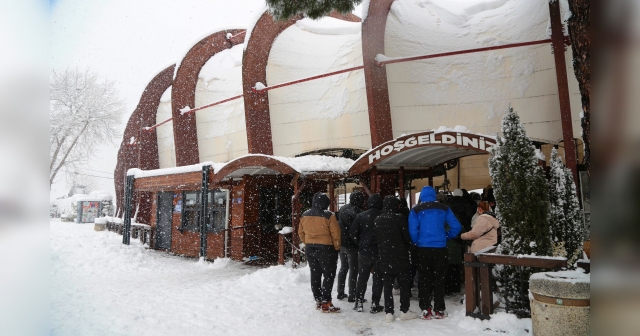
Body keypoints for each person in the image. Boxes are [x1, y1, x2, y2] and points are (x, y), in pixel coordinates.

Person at [408, 186, 462, 320]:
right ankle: (439, 309)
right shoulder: (444, 208)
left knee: (424, 278)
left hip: (423, 249)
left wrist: (417, 241)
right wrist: (446, 236)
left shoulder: (416, 210)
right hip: (440, 248)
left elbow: (413, 231)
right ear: (434, 195)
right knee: (440, 278)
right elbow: (457, 226)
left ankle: (426, 308)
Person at [373, 195, 419, 322]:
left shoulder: (378, 219)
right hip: (400, 257)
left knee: (387, 286)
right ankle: (404, 310)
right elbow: (406, 237)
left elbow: (376, 238)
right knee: (404, 284)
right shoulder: (400, 218)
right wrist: (410, 246)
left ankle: (389, 312)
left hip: (384, 257)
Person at [299, 192, 341, 313]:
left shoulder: (304, 215)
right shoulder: (329, 216)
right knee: (329, 274)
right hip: (326, 248)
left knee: (315, 273)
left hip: (310, 248)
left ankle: (318, 299)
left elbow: (300, 232)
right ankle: (326, 302)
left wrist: (307, 242)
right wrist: (336, 247)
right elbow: (336, 233)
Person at [350, 193, 384, 313]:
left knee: (362, 277)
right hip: (380, 251)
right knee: (378, 278)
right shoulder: (383, 216)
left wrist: (360, 243)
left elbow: (353, 233)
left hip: (364, 251)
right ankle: (375, 303)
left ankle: (358, 301)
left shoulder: (360, 216)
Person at [336, 191, 365, 301]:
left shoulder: (343, 208)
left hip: (342, 242)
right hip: (352, 244)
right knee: (354, 269)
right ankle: (352, 295)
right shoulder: (357, 211)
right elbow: (358, 229)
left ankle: (340, 292)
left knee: (343, 268)